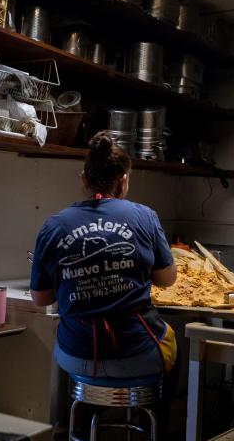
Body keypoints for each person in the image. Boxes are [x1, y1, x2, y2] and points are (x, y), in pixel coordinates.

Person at [29, 131, 178, 379]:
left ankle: (84, 414)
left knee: (90, 386)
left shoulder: (54, 226)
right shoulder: (144, 216)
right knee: (175, 352)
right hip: (138, 353)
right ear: (124, 181)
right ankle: (153, 415)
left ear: (84, 178)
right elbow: (167, 279)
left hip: (75, 355)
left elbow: (41, 298)